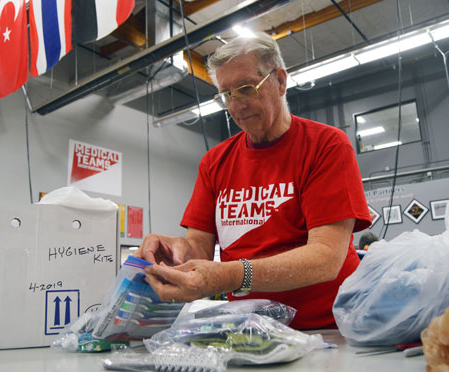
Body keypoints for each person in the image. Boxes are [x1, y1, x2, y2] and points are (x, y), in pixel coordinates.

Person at [135, 32, 371, 330]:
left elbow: (326, 257)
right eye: (226, 95)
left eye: (246, 88)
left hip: (327, 327)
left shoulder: (326, 146)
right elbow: (199, 246)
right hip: (249, 330)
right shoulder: (215, 162)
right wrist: (174, 251)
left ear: (281, 81)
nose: (236, 106)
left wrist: (231, 275)